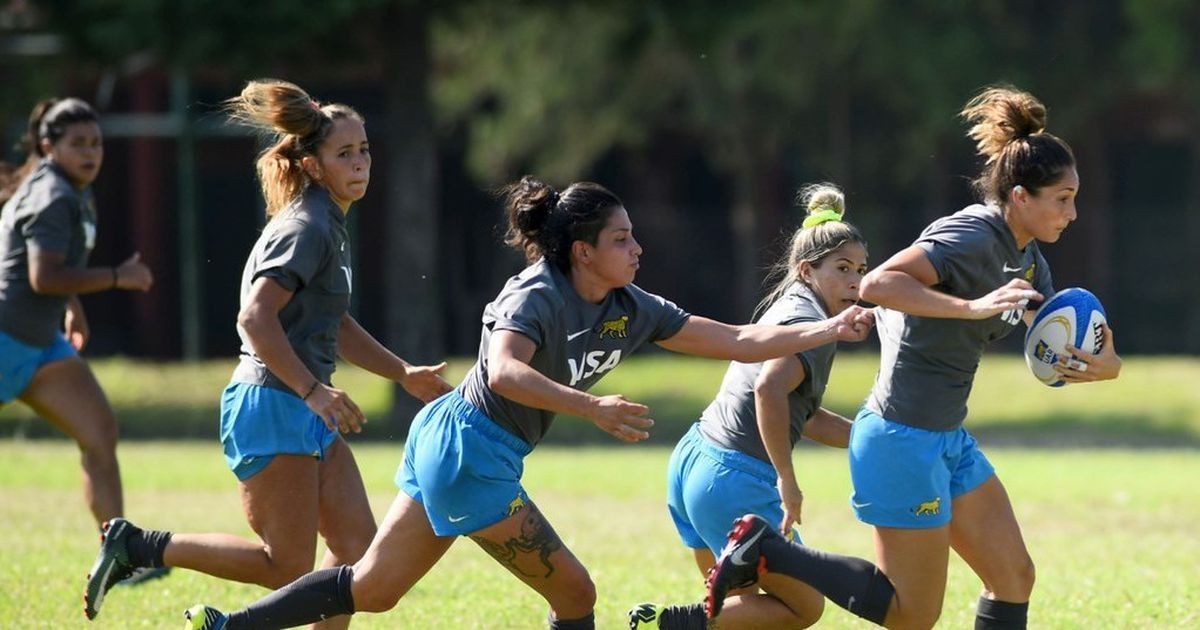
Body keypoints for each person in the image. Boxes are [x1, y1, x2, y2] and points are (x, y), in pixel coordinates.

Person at [181, 174, 875, 630]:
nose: (638, 247)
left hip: (463, 446)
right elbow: (506, 372)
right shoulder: (535, 293)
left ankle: (228, 627)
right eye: (621, 239)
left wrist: (829, 326)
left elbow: (737, 337)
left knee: (375, 588)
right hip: (469, 450)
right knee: (575, 596)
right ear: (581, 251)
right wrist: (591, 407)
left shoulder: (631, 306)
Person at [704, 85, 1123, 630]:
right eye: (1062, 198)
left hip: (947, 438)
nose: (1072, 212)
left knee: (1014, 576)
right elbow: (879, 282)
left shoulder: (1029, 263)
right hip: (900, 438)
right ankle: (769, 551)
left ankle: (765, 551)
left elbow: (1048, 335)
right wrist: (971, 306)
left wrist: (1103, 364)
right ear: (1020, 196)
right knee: (911, 616)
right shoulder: (971, 232)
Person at [81, 79, 452, 625]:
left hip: (303, 408)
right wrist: (313, 390)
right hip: (272, 405)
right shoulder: (307, 226)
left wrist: (403, 373)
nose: (360, 163)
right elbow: (254, 319)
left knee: (357, 551)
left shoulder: (329, 223)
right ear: (312, 164)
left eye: (364, 150)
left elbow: (334, 321)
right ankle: (138, 545)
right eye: (344, 153)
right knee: (285, 567)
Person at [630, 183, 871, 630]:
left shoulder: (790, 307)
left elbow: (803, 415)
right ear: (806, 271)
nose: (856, 281)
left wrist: (869, 438)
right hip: (733, 480)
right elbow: (768, 391)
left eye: (860, 269)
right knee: (805, 606)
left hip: (694, 461)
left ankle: (665, 624)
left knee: (743, 616)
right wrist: (787, 481)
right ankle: (665, 625)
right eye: (842, 268)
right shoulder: (815, 326)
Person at [0, 98, 154, 526]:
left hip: (42, 345)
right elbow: (44, 278)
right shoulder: (52, 195)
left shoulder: (71, 190)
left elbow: (55, 269)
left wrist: (74, 308)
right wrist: (118, 276)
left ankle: (119, 554)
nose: (90, 154)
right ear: (49, 147)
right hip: (6, 338)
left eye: (96, 144)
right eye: (78, 144)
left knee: (99, 434)